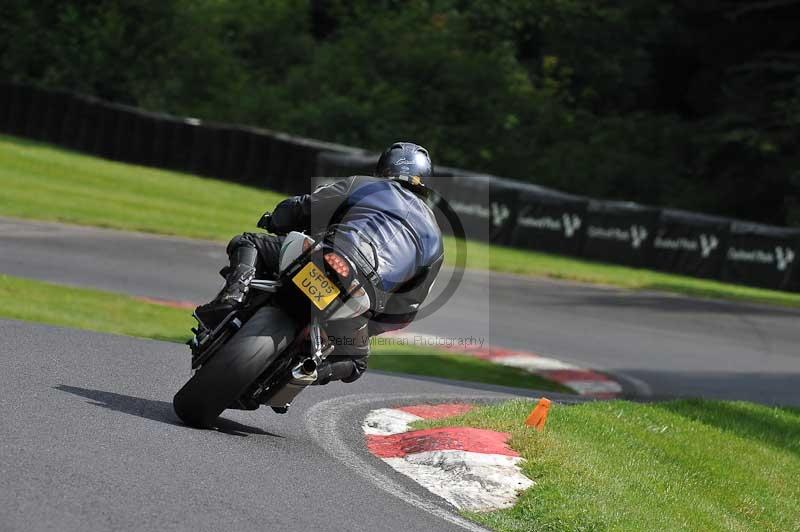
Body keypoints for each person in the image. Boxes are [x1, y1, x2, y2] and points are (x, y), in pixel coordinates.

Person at [195, 142, 443, 386]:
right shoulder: (436, 240)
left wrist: (276, 220)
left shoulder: (365, 185)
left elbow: (305, 207)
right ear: (425, 181)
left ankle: (231, 299)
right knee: (356, 362)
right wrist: (368, 326)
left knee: (249, 242)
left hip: (329, 256)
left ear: (383, 169)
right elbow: (406, 308)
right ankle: (309, 370)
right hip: (364, 293)